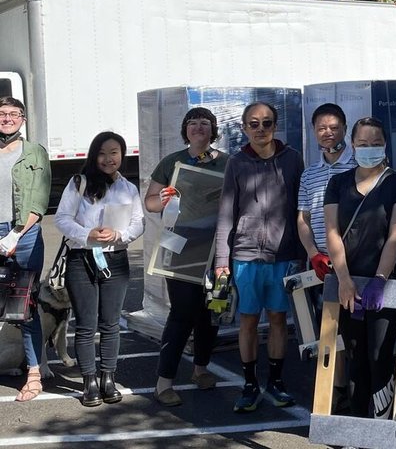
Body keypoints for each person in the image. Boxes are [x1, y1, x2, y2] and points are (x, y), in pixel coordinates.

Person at [214, 101, 304, 413]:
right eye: (254, 124)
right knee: (248, 320)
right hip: (245, 257)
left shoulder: (293, 160)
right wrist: (222, 261)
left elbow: (300, 211)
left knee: (279, 319)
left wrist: (303, 255)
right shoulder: (237, 162)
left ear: (275, 126)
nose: (261, 129)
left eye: (267, 123)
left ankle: (277, 381)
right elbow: (226, 212)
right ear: (244, 128)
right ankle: (250, 384)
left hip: (283, 256)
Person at [324, 117, 396, 419]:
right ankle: (357, 425)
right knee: (355, 357)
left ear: (385, 145)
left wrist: (380, 279)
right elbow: (332, 232)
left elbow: (395, 236)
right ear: (352, 145)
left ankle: (381, 426)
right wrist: (345, 280)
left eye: (376, 143)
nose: (369, 148)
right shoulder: (337, 183)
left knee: (380, 356)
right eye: (363, 144)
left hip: (384, 286)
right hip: (349, 284)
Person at [143, 107, 229, 407]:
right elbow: (151, 203)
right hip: (179, 246)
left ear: (213, 129)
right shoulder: (172, 162)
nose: (198, 128)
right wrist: (162, 198)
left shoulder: (226, 162)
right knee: (182, 314)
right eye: (192, 123)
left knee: (210, 313)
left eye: (205, 123)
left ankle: (200, 369)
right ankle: (163, 382)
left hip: (216, 249)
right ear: (185, 130)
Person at [54, 131, 144, 407]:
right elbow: (62, 219)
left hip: (115, 260)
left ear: (122, 155)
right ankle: (89, 380)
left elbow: (139, 222)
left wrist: (119, 236)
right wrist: (87, 233)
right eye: (103, 153)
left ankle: (108, 376)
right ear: (94, 156)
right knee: (85, 325)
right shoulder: (78, 183)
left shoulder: (128, 188)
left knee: (111, 323)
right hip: (82, 259)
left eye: (114, 152)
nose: (108, 159)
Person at [297, 103, 356, 407]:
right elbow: (303, 219)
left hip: (358, 262)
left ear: (345, 128)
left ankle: (360, 389)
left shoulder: (360, 164)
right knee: (331, 329)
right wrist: (313, 254)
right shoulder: (309, 174)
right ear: (314, 132)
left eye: (334, 127)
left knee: (359, 329)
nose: (328, 133)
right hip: (325, 265)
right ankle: (337, 389)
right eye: (322, 128)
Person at [0, 97, 51, 402]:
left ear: (23, 119)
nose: (6, 119)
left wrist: (16, 234)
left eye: (12, 114)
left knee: (24, 307)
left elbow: (40, 199)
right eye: (2, 114)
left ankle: (34, 372)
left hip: (25, 233)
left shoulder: (34, 152)